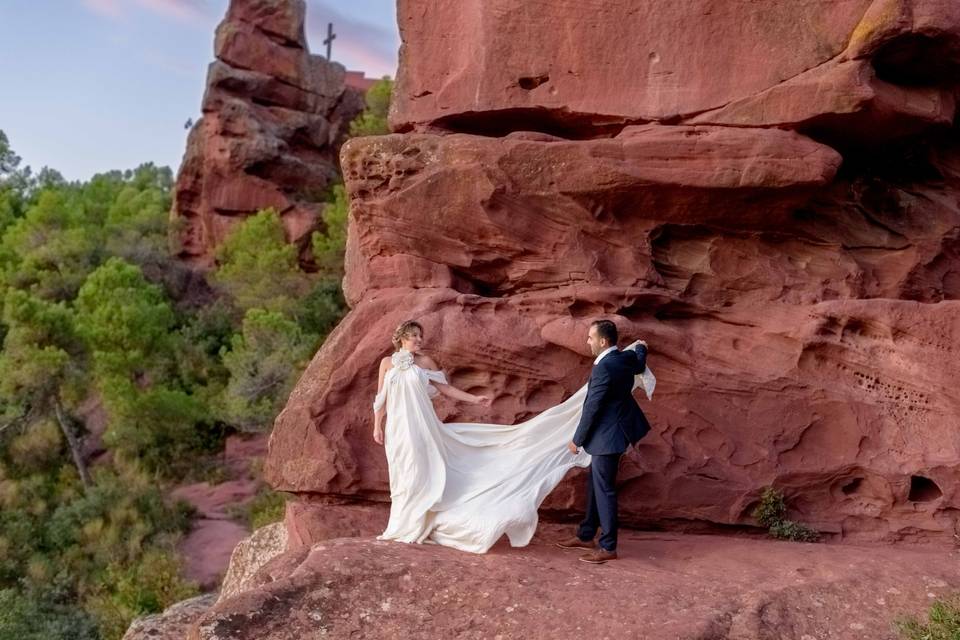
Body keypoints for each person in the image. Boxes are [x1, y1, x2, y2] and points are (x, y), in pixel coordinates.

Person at [372, 318, 650, 555]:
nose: (420, 340)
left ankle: (607, 546)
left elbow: (446, 390)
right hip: (399, 427)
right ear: (403, 337)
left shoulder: (426, 363)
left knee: (420, 469)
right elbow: (380, 397)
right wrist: (377, 424)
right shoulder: (387, 362)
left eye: (421, 336)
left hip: (421, 427)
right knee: (402, 471)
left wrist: (474, 398)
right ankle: (401, 521)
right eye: (415, 336)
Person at [556, 319, 650, 564]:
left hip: (607, 437)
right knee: (597, 485)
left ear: (603, 341)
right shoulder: (624, 358)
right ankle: (587, 534)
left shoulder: (604, 367)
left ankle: (608, 547)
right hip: (614, 433)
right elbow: (639, 362)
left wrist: (577, 440)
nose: (587, 342)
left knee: (605, 490)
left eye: (590, 338)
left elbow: (592, 407)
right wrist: (641, 347)